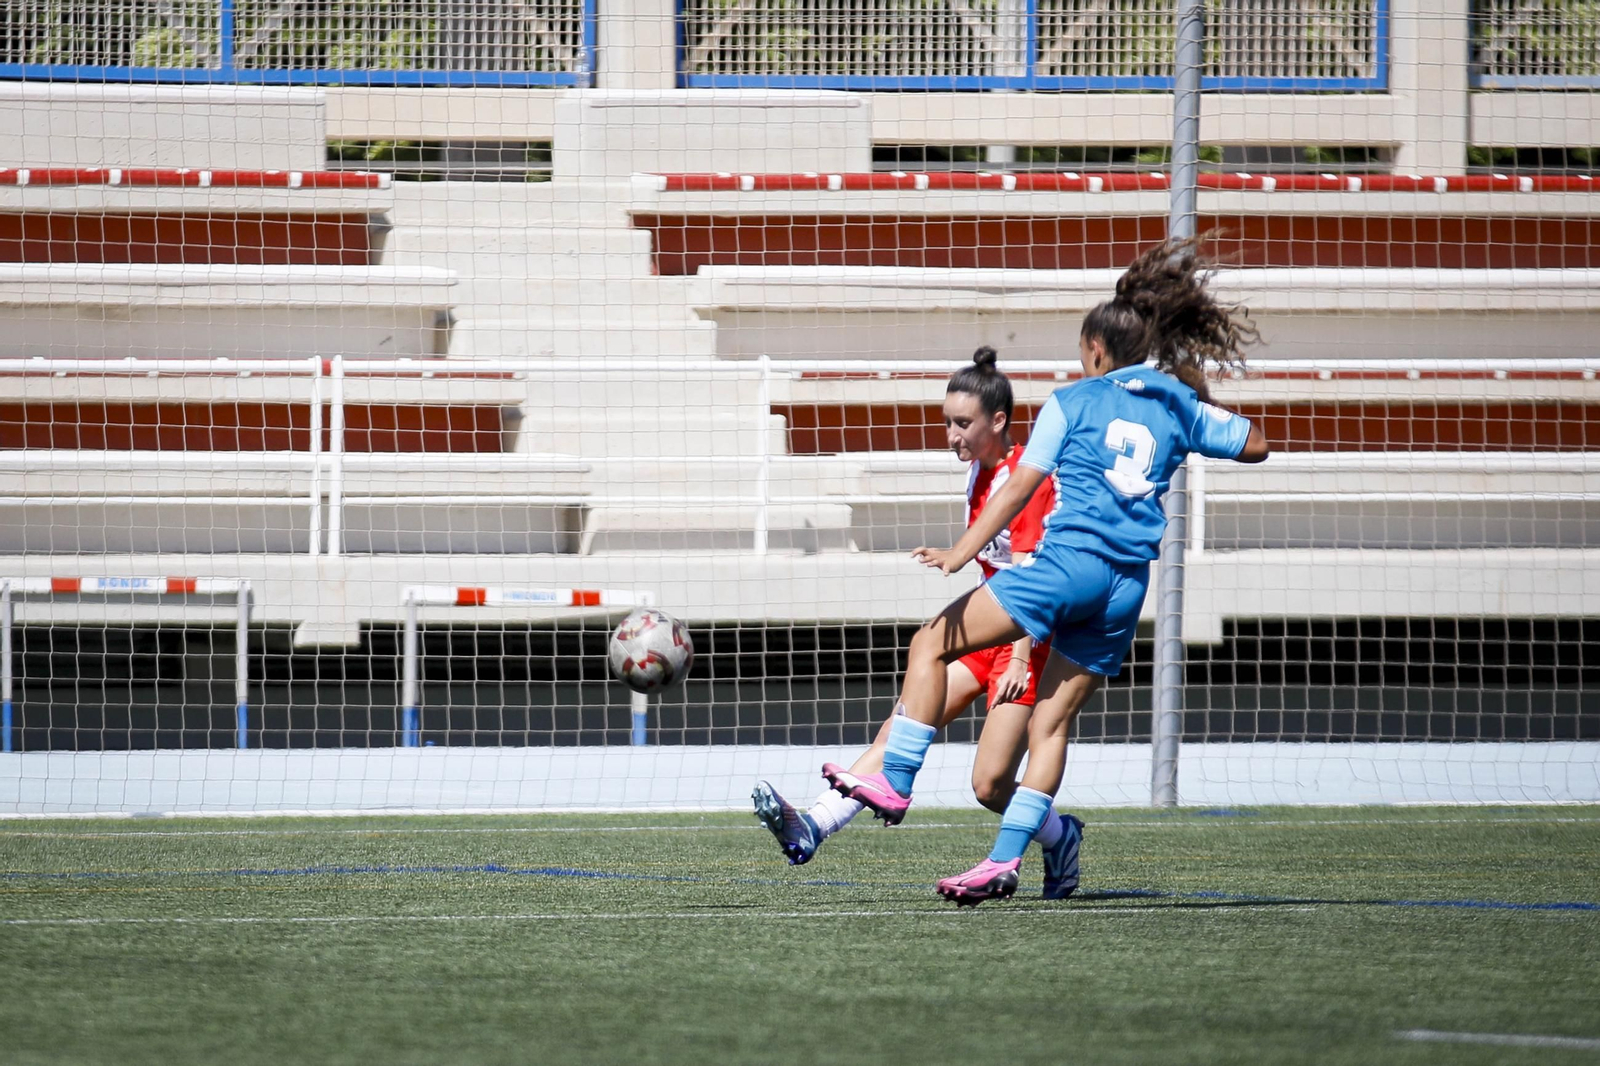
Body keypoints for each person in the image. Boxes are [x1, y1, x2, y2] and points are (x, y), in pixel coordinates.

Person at [824, 238, 1271, 905]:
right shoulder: (1175, 405)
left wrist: (959, 549)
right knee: (1051, 727)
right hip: (1126, 588)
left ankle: (896, 780)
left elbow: (1018, 490)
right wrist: (1192, 388)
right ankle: (1007, 860)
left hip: (1067, 567)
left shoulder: (1074, 400)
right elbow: (1257, 445)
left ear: (1095, 350)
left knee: (930, 643)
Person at [752, 346, 1084, 899]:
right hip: (989, 628)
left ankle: (1060, 835)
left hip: (1030, 637)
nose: (951, 434)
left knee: (990, 783)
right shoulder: (979, 471)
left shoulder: (1026, 477)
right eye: (947, 422)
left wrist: (1022, 658)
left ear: (998, 422)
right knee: (904, 725)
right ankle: (812, 825)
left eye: (963, 423)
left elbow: (1035, 575)